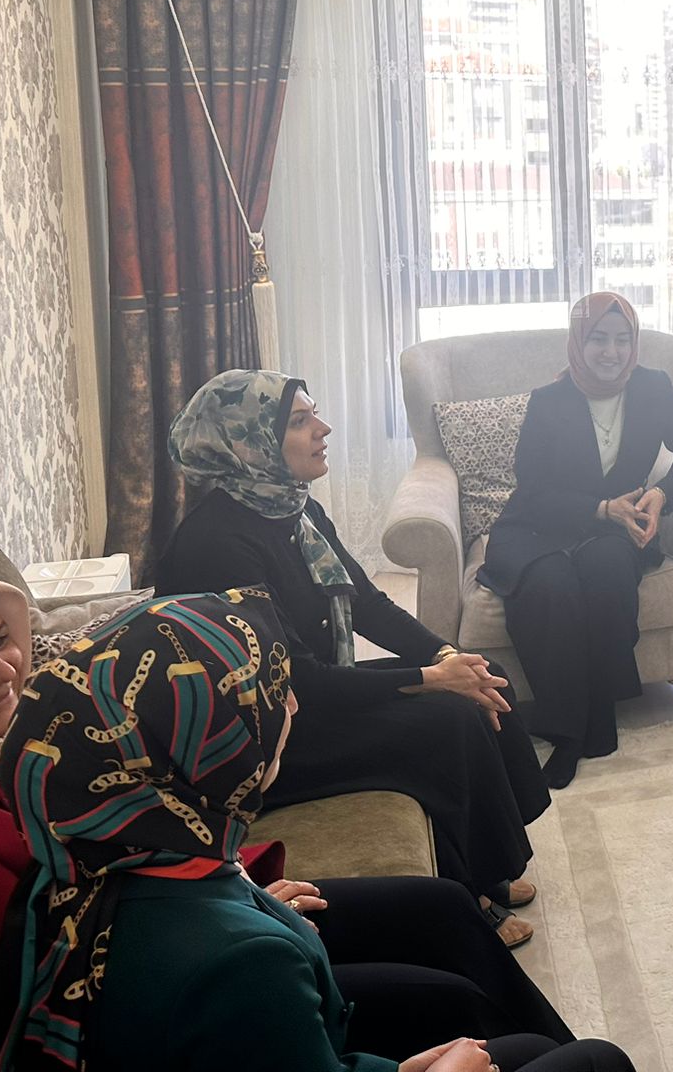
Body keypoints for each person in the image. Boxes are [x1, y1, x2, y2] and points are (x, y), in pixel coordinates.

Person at [0, 588, 633, 1072]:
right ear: (204, 744)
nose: (293, 705)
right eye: (269, 694)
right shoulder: (242, 963)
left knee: (526, 1041)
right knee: (597, 1060)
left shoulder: (89, 854)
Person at [158, 369, 550, 944]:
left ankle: (490, 868)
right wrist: (431, 678)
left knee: (482, 675)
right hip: (260, 740)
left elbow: (365, 602)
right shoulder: (219, 545)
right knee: (446, 721)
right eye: (300, 421)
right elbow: (298, 679)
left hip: (307, 699)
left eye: (314, 413)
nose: (323, 429)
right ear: (248, 444)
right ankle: (469, 899)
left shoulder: (293, 509)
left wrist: (446, 654)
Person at [484, 292, 673, 788]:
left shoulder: (652, 387)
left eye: (622, 339)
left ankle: (599, 709)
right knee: (551, 586)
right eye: (599, 339)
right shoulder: (549, 401)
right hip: (542, 524)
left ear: (634, 343)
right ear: (578, 341)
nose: (611, 352)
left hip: (616, 528)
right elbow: (533, 488)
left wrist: (661, 494)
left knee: (607, 573)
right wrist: (601, 507)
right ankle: (570, 732)